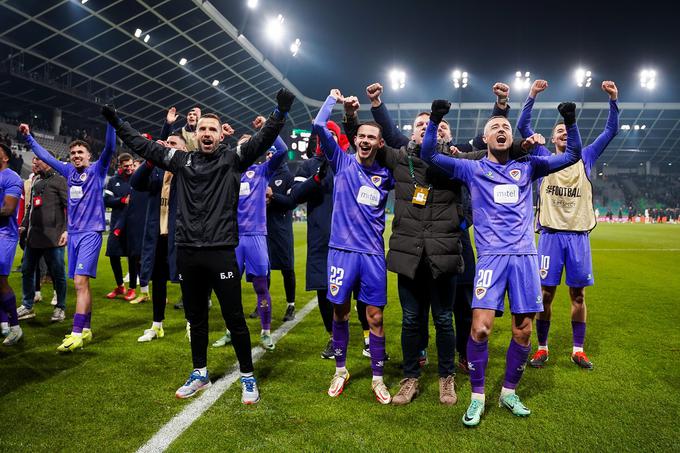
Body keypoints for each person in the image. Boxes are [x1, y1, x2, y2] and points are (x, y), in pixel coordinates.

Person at [102, 88, 295, 403]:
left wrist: (281, 111)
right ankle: (200, 372)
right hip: (188, 253)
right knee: (196, 318)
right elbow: (143, 145)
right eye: (202, 128)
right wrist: (116, 121)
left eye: (212, 129)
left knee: (234, 318)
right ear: (196, 135)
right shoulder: (181, 160)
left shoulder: (234, 160)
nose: (207, 132)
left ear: (220, 136)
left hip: (221, 253)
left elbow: (263, 138)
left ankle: (247, 376)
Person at [342, 82, 514, 405]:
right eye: (420, 125)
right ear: (412, 133)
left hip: (444, 254)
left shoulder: (458, 163)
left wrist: (504, 113)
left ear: (443, 134)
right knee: (410, 319)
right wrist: (357, 114)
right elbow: (369, 141)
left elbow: (495, 147)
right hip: (409, 255)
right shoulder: (397, 158)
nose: (427, 128)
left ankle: (446, 378)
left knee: (444, 319)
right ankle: (410, 378)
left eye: (432, 125)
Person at [421, 98, 582, 426]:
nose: (501, 129)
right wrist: (436, 118)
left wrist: (570, 120)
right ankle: (477, 397)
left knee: (523, 331)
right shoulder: (473, 168)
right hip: (492, 260)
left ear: (512, 138)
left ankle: (509, 391)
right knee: (480, 329)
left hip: (524, 258)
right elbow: (428, 155)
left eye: (505, 127)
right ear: (485, 137)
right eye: (494, 126)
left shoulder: (529, 167)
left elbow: (572, 155)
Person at [518, 80, 619, 370]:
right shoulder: (543, 158)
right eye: (558, 130)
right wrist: (532, 95)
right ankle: (541, 348)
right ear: (552, 140)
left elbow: (610, 131)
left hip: (577, 237)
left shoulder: (586, 156)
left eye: (566, 128)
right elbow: (524, 126)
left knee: (578, 294)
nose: (563, 131)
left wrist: (613, 100)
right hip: (550, 235)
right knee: (546, 294)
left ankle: (578, 349)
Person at [313, 89, 394, 404]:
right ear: (355, 138)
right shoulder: (341, 162)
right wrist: (331, 99)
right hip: (341, 253)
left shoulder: (386, 175)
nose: (365, 140)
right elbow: (320, 126)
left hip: (373, 255)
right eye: (361, 135)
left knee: (375, 317)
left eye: (371, 137)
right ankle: (341, 369)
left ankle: (377, 377)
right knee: (341, 313)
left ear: (378, 143)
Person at [19, 122, 117, 352]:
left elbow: (110, 148)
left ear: (89, 156)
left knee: (80, 282)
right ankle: (86, 329)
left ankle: (75, 333)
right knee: (82, 285)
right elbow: (45, 156)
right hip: (73, 235)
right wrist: (29, 138)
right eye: (72, 153)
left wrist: (111, 123)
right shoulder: (68, 172)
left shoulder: (97, 170)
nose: (75, 156)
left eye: (80, 152)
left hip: (90, 234)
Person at [212, 120, 289, 351]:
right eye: (243, 145)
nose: (247, 148)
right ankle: (229, 330)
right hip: (232, 238)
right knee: (228, 288)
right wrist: (222, 138)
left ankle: (265, 332)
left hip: (255, 237)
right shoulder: (228, 171)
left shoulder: (262, 171)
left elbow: (283, 150)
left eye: (251, 145)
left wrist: (268, 127)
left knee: (260, 287)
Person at [131, 134, 185, 341]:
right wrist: (151, 160)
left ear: (183, 150)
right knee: (158, 281)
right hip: (158, 236)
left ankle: (191, 323)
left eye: (174, 144)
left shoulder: (186, 170)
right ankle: (157, 325)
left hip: (181, 237)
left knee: (187, 282)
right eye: (167, 143)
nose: (168, 146)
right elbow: (136, 182)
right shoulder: (157, 171)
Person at [16, 155, 68, 322]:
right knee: (27, 270)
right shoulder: (36, 180)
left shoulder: (60, 180)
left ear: (48, 161)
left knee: (58, 273)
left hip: (54, 237)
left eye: (38, 159)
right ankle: (27, 305)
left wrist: (67, 230)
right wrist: (24, 224)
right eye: (34, 160)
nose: (35, 162)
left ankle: (60, 307)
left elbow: (70, 207)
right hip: (34, 236)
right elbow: (30, 206)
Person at [265, 133, 298, 322]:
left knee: (287, 268)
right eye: (267, 154)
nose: (269, 157)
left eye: (272, 154)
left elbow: (291, 202)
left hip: (282, 229)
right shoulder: (263, 174)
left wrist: (272, 197)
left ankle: (290, 305)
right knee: (264, 269)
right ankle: (262, 303)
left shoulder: (288, 177)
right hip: (264, 229)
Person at [104, 153, 137, 301]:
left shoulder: (138, 179)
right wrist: (122, 200)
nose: (129, 168)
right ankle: (120, 286)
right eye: (126, 166)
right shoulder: (113, 181)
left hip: (132, 224)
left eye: (130, 165)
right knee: (112, 254)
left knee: (133, 257)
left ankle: (132, 289)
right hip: (116, 223)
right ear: (120, 167)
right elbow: (107, 200)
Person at [0, 143, 23, 346]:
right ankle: (3, 322)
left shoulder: (12, 177)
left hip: (4, 235)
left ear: (5, 156)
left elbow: (7, 209)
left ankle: (15, 327)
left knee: (1, 280)